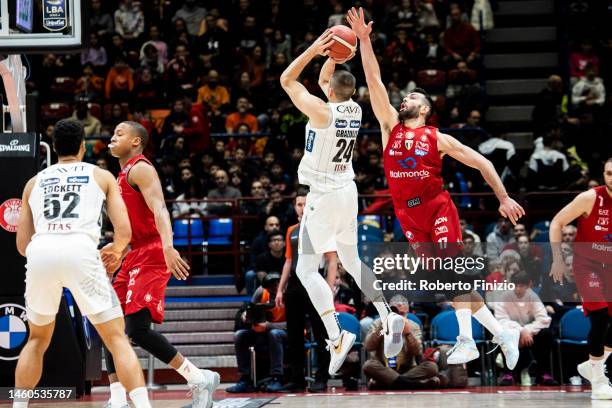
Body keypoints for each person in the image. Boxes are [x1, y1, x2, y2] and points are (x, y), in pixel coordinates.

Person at [347, 7, 524, 369]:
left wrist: (503, 196)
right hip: (408, 214)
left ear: (425, 109)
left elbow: (483, 162)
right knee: (450, 280)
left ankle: (466, 341)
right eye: (405, 97)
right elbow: (375, 79)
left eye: (412, 98)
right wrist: (365, 41)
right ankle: (500, 332)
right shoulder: (388, 128)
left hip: (436, 206)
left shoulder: (437, 138)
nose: (404, 100)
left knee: (451, 272)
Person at [280, 29, 405, 376]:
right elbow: (325, 79)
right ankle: (386, 314)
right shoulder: (353, 109)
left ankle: (335, 335)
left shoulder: (321, 112)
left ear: (330, 91)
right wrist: (337, 54)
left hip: (322, 195)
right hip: (348, 192)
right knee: (350, 259)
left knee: (306, 269)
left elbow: (287, 79)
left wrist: (315, 48)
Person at [13, 119, 152, 408]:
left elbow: (22, 245)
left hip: (41, 252)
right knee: (116, 338)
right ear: (82, 147)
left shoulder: (33, 183)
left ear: (53, 148)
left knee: (37, 341)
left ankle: (17, 406)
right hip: (80, 248)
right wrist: (114, 250)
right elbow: (124, 232)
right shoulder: (101, 176)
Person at [105, 121, 219, 408]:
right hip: (133, 253)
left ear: (135, 142)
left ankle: (196, 377)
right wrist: (117, 250)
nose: (112, 137)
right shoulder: (118, 176)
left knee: (137, 329)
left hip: (153, 251)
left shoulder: (140, 168)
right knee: (110, 325)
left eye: (120, 133)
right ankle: (117, 399)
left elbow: (159, 207)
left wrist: (168, 245)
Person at [550, 158, 612, 399]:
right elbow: (557, 222)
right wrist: (557, 259)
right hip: (589, 265)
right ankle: (598, 381)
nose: (611, 178)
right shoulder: (590, 198)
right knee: (599, 316)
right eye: (608, 173)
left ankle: (592, 364)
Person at [275, 188, 331, 392]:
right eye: (299, 204)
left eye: (306, 203)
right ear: (295, 207)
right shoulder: (291, 230)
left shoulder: (322, 227)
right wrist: (280, 289)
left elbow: (331, 260)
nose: (303, 207)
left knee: (321, 333)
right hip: (295, 287)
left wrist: (329, 286)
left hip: (315, 285)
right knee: (294, 336)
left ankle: (322, 377)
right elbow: (289, 261)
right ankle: (297, 379)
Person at [363, 296, 443, 390]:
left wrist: (408, 334)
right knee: (368, 365)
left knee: (432, 367)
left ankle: (387, 383)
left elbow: (417, 352)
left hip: (408, 368)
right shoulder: (378, 323)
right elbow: (368, 347)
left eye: (402, 314)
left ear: (407, 312)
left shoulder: (413, 326)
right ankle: (416, 385)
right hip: (384, 368)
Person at [227, 273, 288, 393]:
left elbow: (295, 325)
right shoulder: (260, 291)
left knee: (274, 333)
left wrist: (268, 326)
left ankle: (277, 378)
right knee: (239, 335)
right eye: (270, 287)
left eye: (276, 285)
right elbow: (250, 309)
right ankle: (245, 379)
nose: (274, 289)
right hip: (264, 332)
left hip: (289, 333)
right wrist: (246, 316)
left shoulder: (290, 293)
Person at [493, 272, 556, 386]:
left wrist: (527, 330)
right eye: (515, 285)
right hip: (512, 332)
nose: (517, 289)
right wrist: (520, 331)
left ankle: (542, 374)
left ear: (528, 286)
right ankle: (509, 374)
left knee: (547, 334)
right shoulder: (503, 297)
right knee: (502, 334)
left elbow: (543, 319)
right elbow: (501, 320)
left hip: (531, 334)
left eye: (521, 286)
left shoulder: (533, 297)